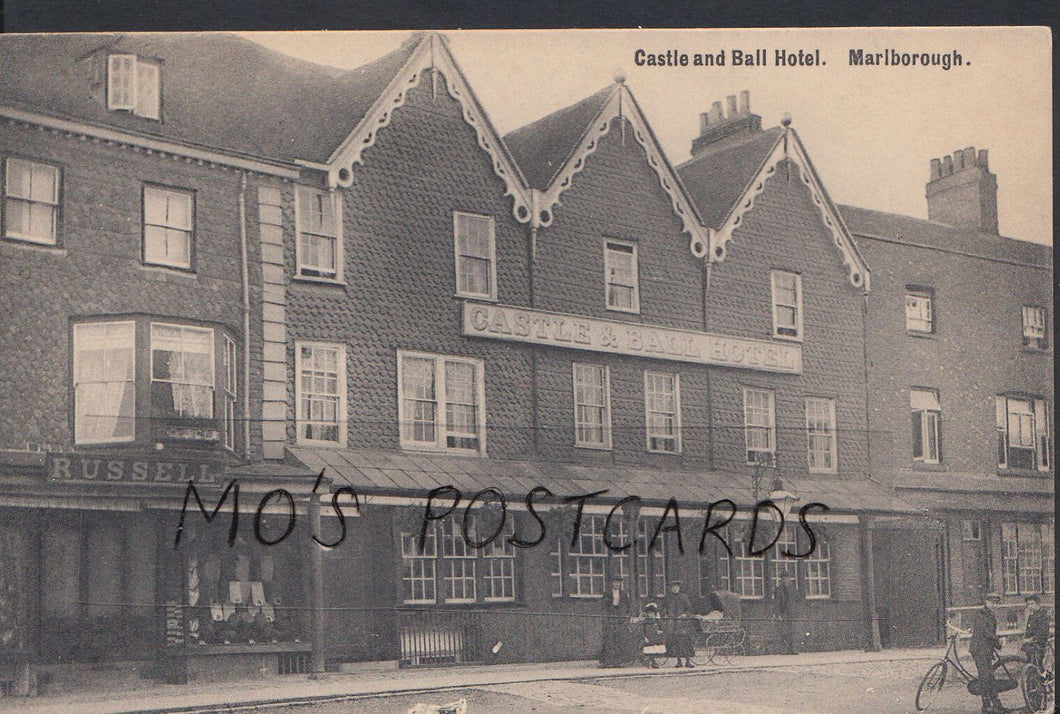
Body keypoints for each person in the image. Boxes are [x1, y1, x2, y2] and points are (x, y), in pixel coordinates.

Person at [970, 592, 1004, 714]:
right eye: (992, 602)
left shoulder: (991, 615)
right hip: (979, 649)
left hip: (986, 649)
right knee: (985, 676)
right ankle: (986, 705)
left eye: (996, 603)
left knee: (988, 676)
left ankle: (994, 703)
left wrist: (995, 643)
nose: (994, 605)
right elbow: (986, 632)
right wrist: (998, 642)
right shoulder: (981, 614)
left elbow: (990, 633)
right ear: (986, 602)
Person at [663, 580, 696, 668]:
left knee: (685, 642)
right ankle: (679, 661)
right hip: (672, 623)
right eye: (673, 587)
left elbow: (689, 609)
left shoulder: (683, 597)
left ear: (679, 588)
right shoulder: (668, 598)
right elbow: (664, 608)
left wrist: (685, 614)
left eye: (676, 587)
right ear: (671, 588)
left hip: (682, 624)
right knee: (675, 643)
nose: (675, 589)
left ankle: (688, 661)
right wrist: (665, 615)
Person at [599, 577, 632, 668]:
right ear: (612, 583)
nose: (616, 584)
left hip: (619, 617)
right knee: (608, 638)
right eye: (615, 583)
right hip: (610, 616)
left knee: (618, 638)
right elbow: (603, 606)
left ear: (620, 584)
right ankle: (606, 661)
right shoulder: (607, 593)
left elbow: (628, 606)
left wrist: (625, 615)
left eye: (618, 583)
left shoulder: (623, 594)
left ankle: (618, 661)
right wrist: (605, 616)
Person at [1021, 594, 1051, 668]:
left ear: (1037, 604)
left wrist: (1030, 639)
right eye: (1028, 604)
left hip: (1039, 644)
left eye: (1032, 604)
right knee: (1030, 664)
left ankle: (1044, 678)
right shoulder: (1032, 615)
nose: (1030, 606)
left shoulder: (1043, 615)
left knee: (1039, 665)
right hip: (1031, 645)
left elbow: (1042, 632)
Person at [775, 571, 799, 655]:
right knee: (784, 631)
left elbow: (797, 600)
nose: (784, 580)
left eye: (786, 578)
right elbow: (776, 603)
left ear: (789, 578)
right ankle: (784, 650)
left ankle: (793, 649)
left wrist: (796, 611)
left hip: (792, 613)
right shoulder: (778, 589)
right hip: (783, 613)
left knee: (792, 631)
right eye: (783, 578)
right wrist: (778, 615)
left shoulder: (793, 589)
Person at [640, 602, 666, 668]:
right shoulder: (645, 622)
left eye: (652, 613)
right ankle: (651, 661)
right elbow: (642, 630)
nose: (651, 615)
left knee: (655, 650)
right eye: (650, 613)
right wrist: (644, 637)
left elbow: (662, 628)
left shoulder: (657, 621)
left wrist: (661, 631)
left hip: (656, 637)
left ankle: (653, 662)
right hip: (649, 638)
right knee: (649, 649)